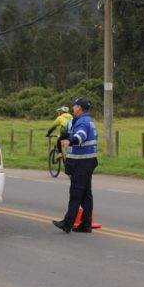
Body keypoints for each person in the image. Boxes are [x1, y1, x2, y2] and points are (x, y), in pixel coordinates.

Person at [52, 97, 98, 234]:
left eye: (75, 106)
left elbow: (81, 135)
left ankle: (67, 223)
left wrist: (70, 141)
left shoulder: (82, 122)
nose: (73, 108)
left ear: (79, 108)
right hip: (88, 162)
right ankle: (86, 224)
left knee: (76, 194)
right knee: (86, 194)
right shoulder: (88, 121)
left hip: (81, 163)